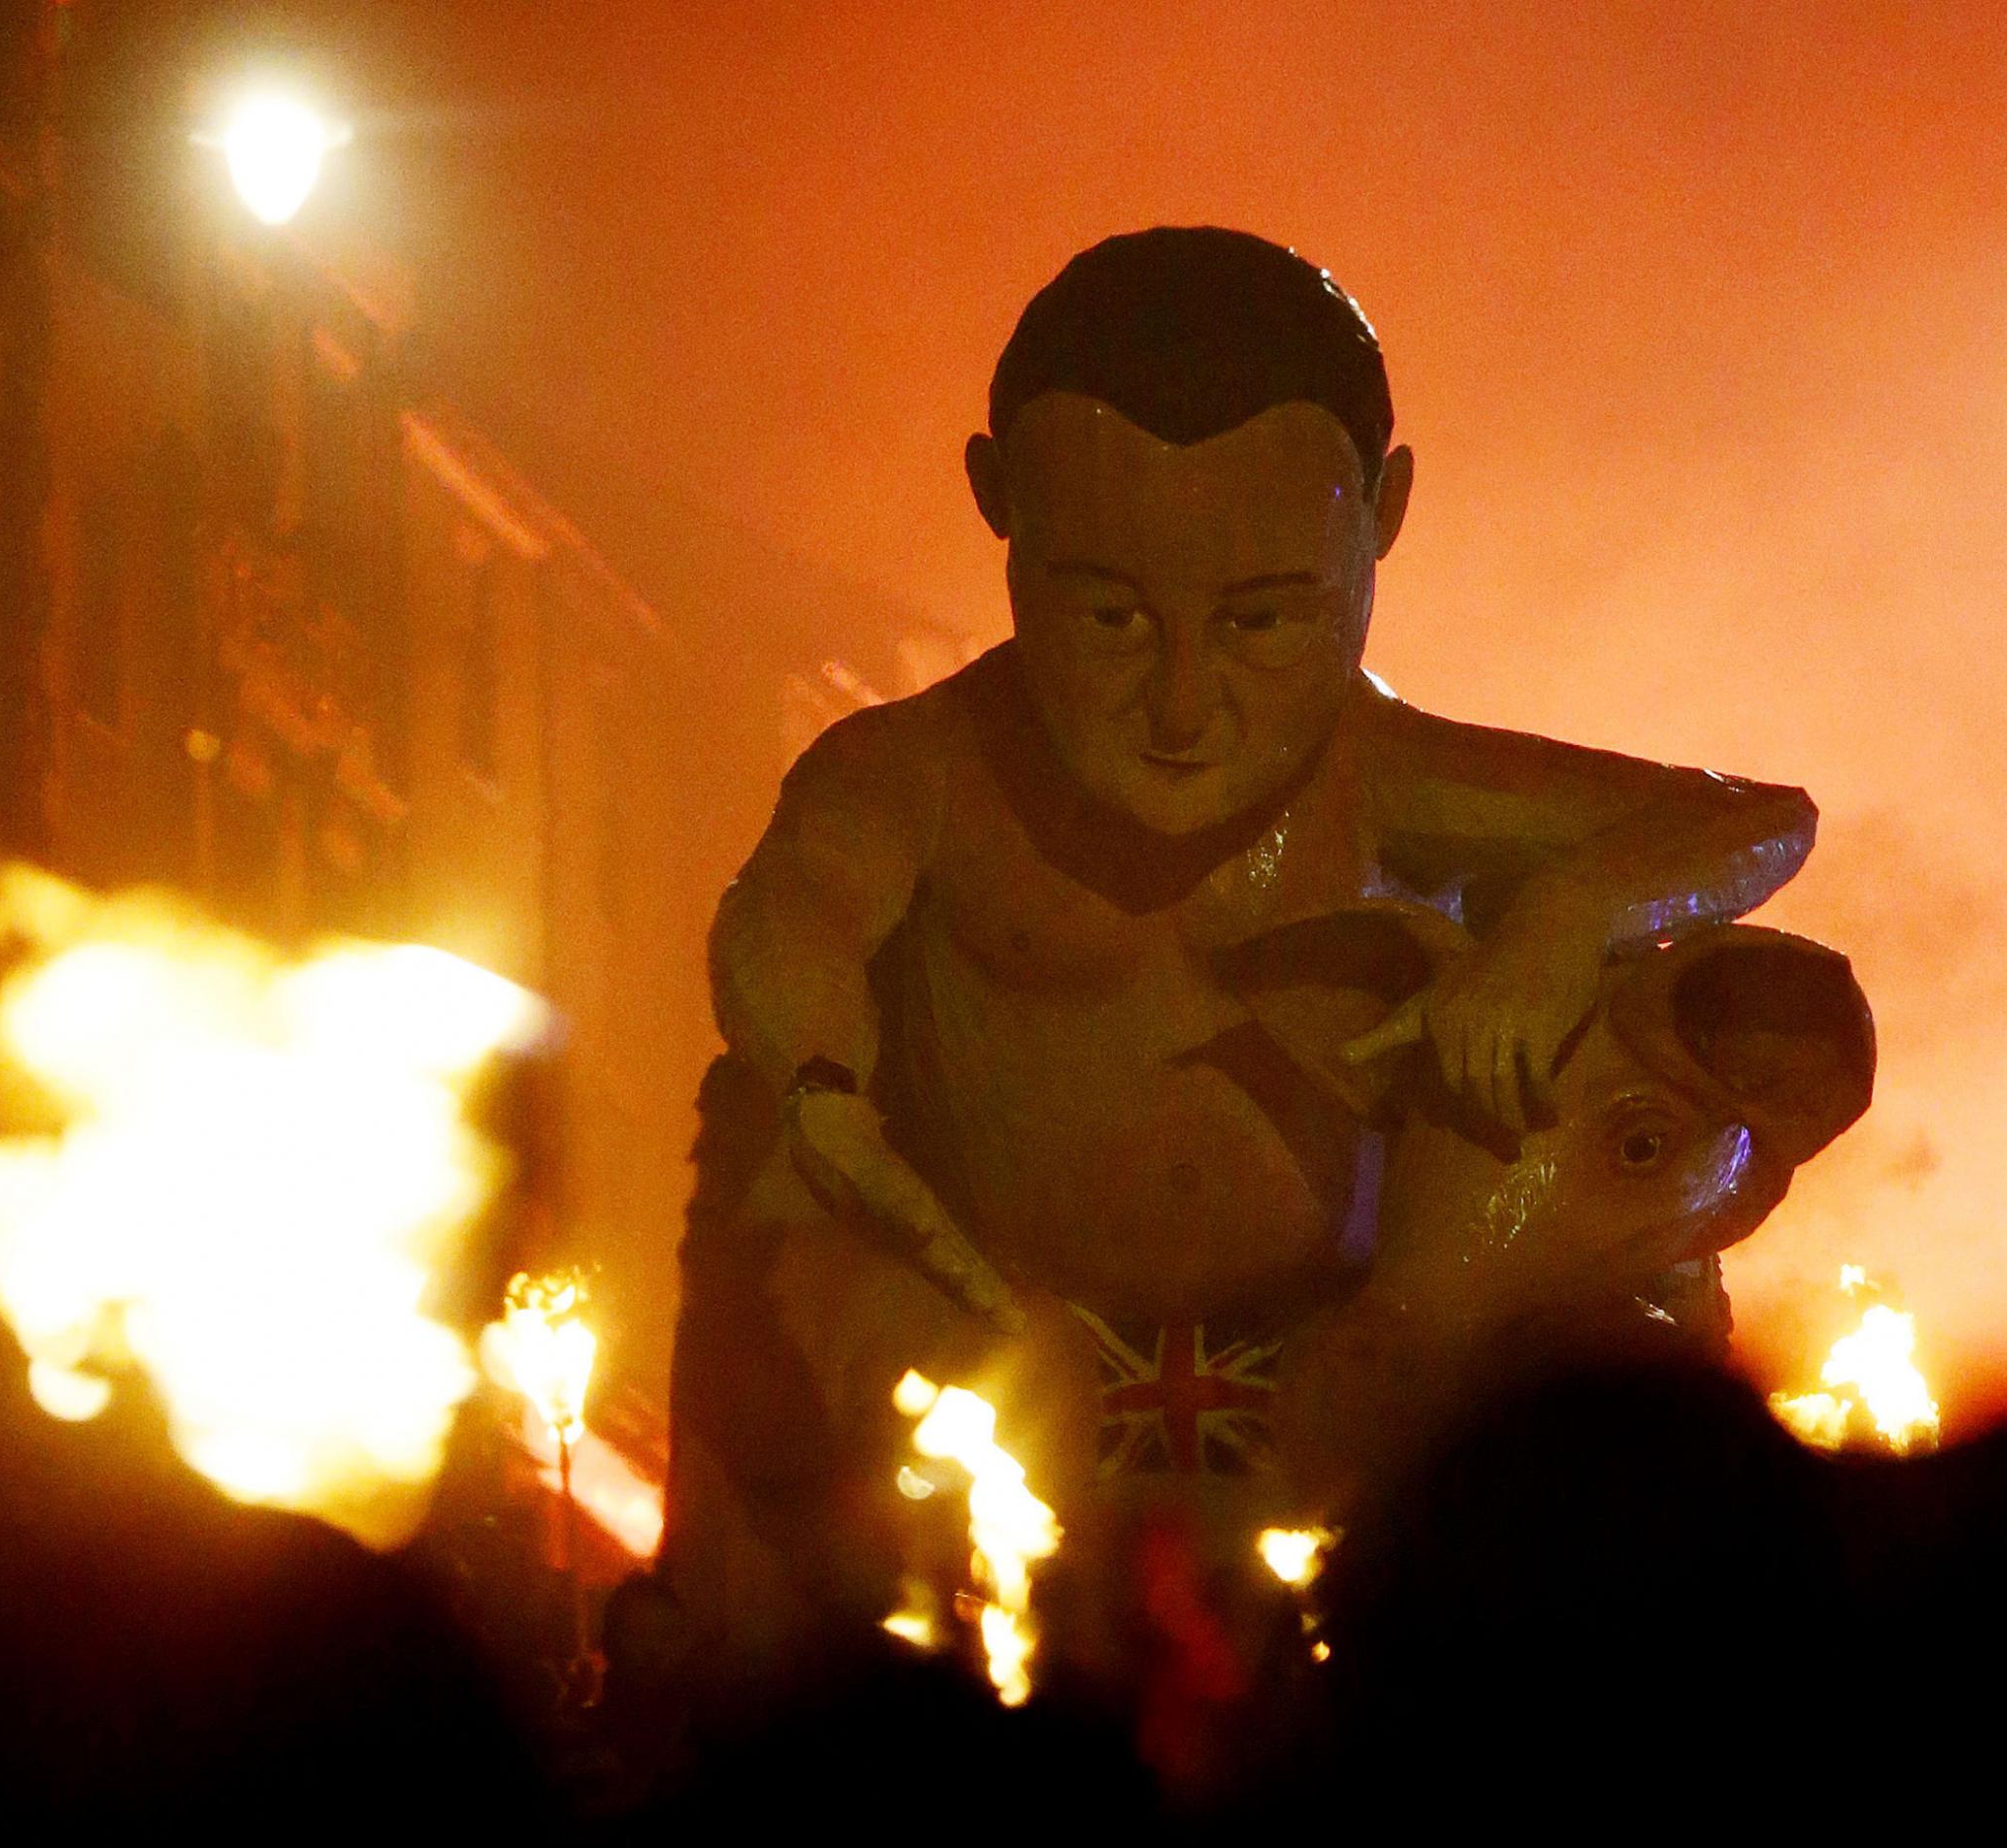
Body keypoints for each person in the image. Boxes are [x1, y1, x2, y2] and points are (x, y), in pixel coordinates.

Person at [663, 228, 1817, 1661]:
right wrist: (822, 1081)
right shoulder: (930, 773)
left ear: (1382, 515)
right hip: (986, 1367)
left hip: (1344, 1389)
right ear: (996, 503)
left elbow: (1753, 826)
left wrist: (1563, 920)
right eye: (1111, 618)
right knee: (768, 1228)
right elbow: (798, 905)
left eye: (1267, 620)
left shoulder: (1390, 779)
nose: (1185, 703)